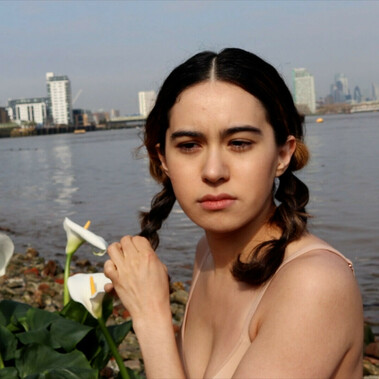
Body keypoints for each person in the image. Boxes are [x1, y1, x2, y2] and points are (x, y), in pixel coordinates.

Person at [104, 48, 363, 378]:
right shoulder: (207, 255)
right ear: (163, 159)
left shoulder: (314, 284)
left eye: (239, 143)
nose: (213, 171)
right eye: (188, 145)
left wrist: (151, 315)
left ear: (283, 153)